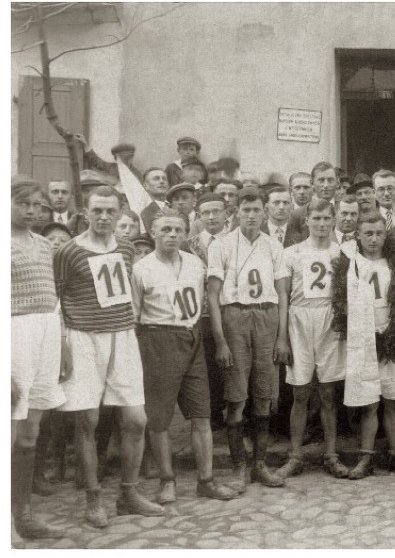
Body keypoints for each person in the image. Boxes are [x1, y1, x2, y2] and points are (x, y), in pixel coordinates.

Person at [53, 185, 164, 528]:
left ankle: (128, 493)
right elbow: (56, 302)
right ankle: (93, 498)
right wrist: (62, 349)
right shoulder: (69, 252)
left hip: (122, 336)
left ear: (120, 213)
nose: (103, 217)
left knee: (136, 420)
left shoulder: (128, 247)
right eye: (97, 211)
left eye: (110, 211)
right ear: (85, 212)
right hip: (83, 338)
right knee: (86, 421)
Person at [130, 209, 237, 503]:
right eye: (165, 229)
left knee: (201, 414)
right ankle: (168, 480)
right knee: (160, 419)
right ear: (153, 232)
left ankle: (206, 479)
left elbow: (205, 301)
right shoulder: (141, 269)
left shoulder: (195, 264)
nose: (172, 235)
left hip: (192, 338)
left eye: (178, 230)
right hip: (158, 339)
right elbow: (134, 317)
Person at [206, 187, 288, 492]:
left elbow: (282, 294)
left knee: (264, 394)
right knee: (237, 395)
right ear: (236, 212)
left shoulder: (273, 246)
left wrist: (282, 337)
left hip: (267, 317)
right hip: (235, 317)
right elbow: (213, 297)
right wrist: (221, 340)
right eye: (246, 210)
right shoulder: (222, 245)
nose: (251, 215)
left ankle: (260, 464)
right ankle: (239, 466)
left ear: (264, 212)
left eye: (256, 210)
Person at [330, 212, 395, 479]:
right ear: (358, 235)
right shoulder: (350, 262)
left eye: (379, 233)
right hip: (363, 339)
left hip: (392, 335)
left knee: (393, 401)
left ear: (386, 235)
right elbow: (340, 301)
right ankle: (366, 459)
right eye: (368, 233)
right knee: (368, 402)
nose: (374, 239)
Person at [274, 199, 350, 480]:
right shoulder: (291, 253)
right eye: (315, 218)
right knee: (300, 392)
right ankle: (295, 456)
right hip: (299, 322)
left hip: (330, 323)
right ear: (306, 220)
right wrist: (282, 338)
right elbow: (283, 298)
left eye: (326, 219)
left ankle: (331, 455)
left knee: (329, 392)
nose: (320, 224)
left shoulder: (342, 253)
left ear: (333, 221)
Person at [11, 180, 66, 539]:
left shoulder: (45, 245)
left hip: (46, 336)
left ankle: (24, 515)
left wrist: (63, 345)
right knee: (9, 428)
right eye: (22, 203)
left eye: (37, 205)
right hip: (13, 337)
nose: (31, 211)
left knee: (31, 430)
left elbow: (54, 301)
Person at [186, 193, 229, 430]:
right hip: (200, 314)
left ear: (226, 213)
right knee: (206, 364)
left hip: (229, 309)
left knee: (230, 362)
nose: (211, 217)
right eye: (206, 213)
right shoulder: (189, 243)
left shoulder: (234, 240)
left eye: (216, 211)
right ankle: (211, 415)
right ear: (199, 216)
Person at [139, 168, 170, 233]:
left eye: (164, 179)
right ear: (145, 185)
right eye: (156, 179)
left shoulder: (175, 205)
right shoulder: (143, 212)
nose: (162, 181)